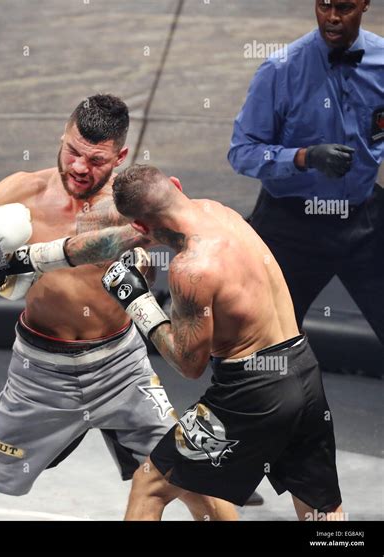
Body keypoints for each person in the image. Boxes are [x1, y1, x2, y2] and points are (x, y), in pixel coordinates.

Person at [0, 95, 236, 521]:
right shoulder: (22, 190)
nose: (79, 167)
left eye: (96, 159)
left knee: (195, 480)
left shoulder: (130, 202)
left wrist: (142, 271)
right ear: (63, 134)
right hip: (41, 375)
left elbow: (180, 251)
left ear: (120, 156)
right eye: (73, 150)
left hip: (121, 367)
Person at [100, 164, 344, 521]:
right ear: (176, 184)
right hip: (304, 370)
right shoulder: (220, 211)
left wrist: (137, 300)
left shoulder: (191, 268)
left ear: (139, 226)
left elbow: (189, 364)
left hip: (252, 392)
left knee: (150, 485)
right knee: (321, 508)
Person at [228, 0, 384, 343]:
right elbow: (241, 153)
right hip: (291, 225)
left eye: (344, 7)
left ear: (366, 4)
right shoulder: (280, 69)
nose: (331, 17)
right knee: (260, 343)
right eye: (323, 4)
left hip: (364, 218)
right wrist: (303, 157)